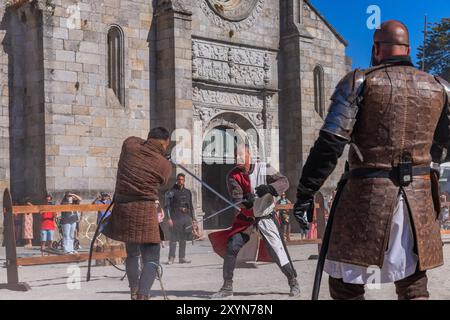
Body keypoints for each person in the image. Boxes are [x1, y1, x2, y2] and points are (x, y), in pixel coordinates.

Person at [293, 20, 449, 300]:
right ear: (408, 49)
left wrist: (305, 193)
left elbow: (330, 144)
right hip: (420, 202)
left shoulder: (359, 82)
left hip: (366, 199)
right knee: (413, 284)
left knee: (346, 286)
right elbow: (444, 147)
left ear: (377, 49)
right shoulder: (439, 87)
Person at [209, 144, 300, 299]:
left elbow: (284, 182)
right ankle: (227, 287)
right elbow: (237, 198)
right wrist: (247, 201)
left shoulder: (265, 167)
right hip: (246, 219)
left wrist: (269, 188)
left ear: (249, 155)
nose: (237, 158)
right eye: (235, 155)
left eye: (241, 155)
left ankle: (293, 282)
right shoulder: (233, 175)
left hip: (265, 216)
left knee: (277, 251)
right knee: (232, 247)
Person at [103, 127, 172, 300]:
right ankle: (142, 295)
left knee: (132, 254)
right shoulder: (164, 164)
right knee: (151, 257)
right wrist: (163, 158)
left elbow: (134, 139)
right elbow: (163, 180)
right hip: (145, 212)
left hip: (124, 211)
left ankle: (133, 290)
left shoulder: (129, 146)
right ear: (165, 143)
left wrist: (152, 148)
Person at [164, 173, 195, 264]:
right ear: (177, 180)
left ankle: (182, 257)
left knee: (183, 239)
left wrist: (193, 219)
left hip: (186, 219)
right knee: (173, 239)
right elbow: (167, 206)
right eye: (179, 179)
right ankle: (171, 257)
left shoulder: (188, 192)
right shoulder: (171, 192)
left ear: (184, 180)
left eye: (182, 179)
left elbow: (191, 206)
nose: (180, 181)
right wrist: (169, 218)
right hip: (175, 218)